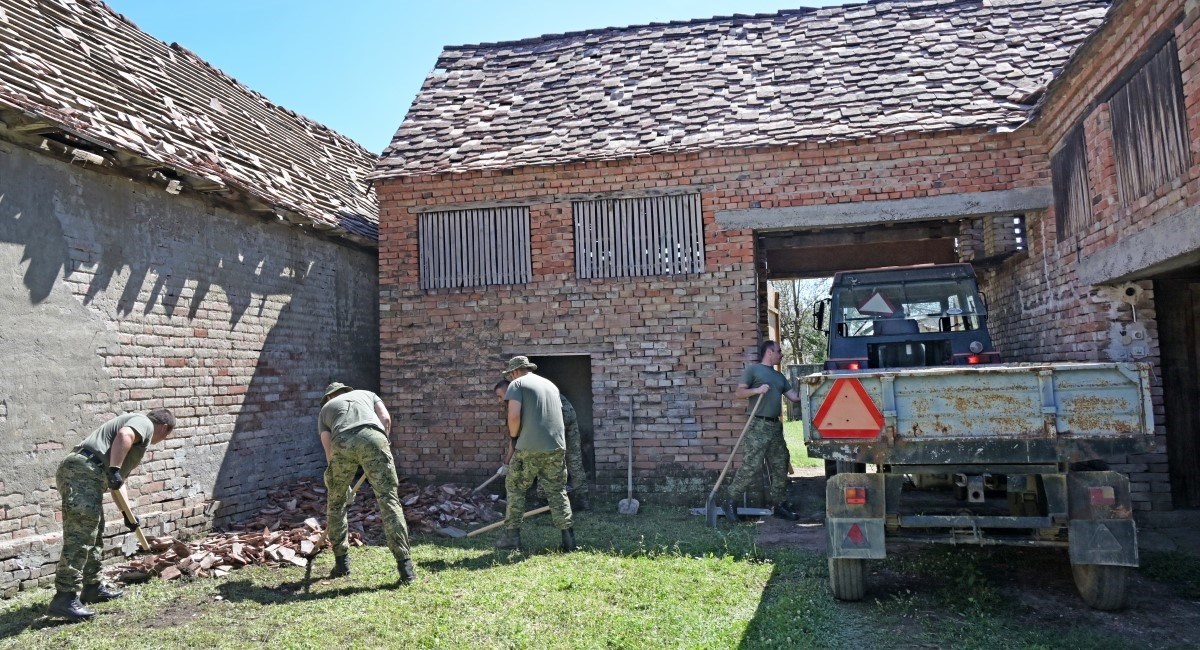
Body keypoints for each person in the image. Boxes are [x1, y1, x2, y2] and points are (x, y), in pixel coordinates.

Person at [48, 409, 177, 621]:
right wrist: (115, 469)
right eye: (166, 436)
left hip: (88, 473)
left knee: (93, 532)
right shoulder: (143, 423)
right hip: (84, 471)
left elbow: (117, 483)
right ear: (164, 428)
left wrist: (128, 515)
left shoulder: (133, 441)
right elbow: (124, 436)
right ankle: (64, 597)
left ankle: (93, 587)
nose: (162, 439)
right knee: (80, 535)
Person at [318, 382, 417, 584]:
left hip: (342, 442)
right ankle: (406, 569)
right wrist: (381, 444)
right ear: (348, 391)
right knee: (389, 500)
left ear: (329, 397)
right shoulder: (368, 393)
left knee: (336, 504)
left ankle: (341, 564)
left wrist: (340, 485)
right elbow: (386, 419)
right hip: (374, 437)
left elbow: (329, 451)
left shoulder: (325, 410)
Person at [496, 357, 576, 552]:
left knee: (515, 488)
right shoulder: (550, 385)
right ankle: (569, 541)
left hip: (528, 448)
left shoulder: (517, 384)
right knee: (557, 491)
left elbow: (513, 416)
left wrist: (514, 436)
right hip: (556, 447)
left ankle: (512, 538)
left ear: (514, 372)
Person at [725, 340, 802, 523]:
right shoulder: (754, 371)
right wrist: (757, 390)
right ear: (769, 352)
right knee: (751, 465)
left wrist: (807, 386)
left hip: (775, 426)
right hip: (758, 425)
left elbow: (795, 398)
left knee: (780, 463)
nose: (781, 354)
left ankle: (779, 504)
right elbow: (739, 393)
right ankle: (730, 502)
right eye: (779, 351)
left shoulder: (779, 376)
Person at [494, 379, 590, 511]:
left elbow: (514, 437)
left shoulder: (518, 401)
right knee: (574, 459)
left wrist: (506, 463)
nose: (499, 401)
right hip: (567, 411)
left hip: (556, 416)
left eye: (500, 396)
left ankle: (544, 501)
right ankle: (582, 501)